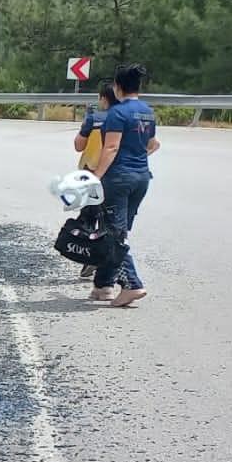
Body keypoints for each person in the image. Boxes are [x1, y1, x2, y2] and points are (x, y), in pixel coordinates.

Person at [91, 63, 160, 308]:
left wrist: (96, 176)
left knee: (113, 234)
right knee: (120, 229)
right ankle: (103, 284)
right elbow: (153, 144)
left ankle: (132, 284)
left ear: (117, 87)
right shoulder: (147, 112)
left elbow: (110, 147)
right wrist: (137, 159)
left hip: (118, 178)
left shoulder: (117, 113)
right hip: (141, 177)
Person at [70, 85, 119, 280]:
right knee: (110, 219)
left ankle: (90, 258)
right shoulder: (125, 118)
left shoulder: (95, 118)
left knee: (89, 215)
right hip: (116, 173)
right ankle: (108, 265)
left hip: (92, 171)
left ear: (104, 99)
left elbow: (78, 145)